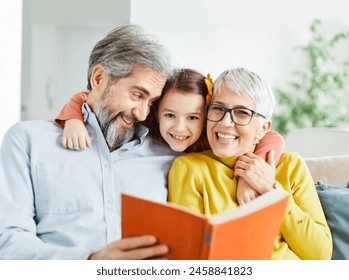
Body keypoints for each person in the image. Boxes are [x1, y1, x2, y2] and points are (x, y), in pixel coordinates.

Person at [0, 24, 178, 260]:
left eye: (152, 102)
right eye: (137, 95)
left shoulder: (171, 155)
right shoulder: (27, 141)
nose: (142, 114)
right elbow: (9, 245)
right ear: (98, 78)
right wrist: (92, 262)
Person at [167, 67, 333, 259]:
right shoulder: (190, 169)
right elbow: (190, 257)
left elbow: (321, 255)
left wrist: (272, 192)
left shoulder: (290, 166)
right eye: (218, 109)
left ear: (263, 128)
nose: (225, 122)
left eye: (242, 113)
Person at [55, 68, 285, 204]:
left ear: (207, 115)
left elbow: (273, 137)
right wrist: (74, 119)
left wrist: (249, 177)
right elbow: (88, 96)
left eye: (193, 118)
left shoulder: (213, 137)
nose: (180, 128)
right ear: (156, 111)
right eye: (170, 115)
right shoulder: (145, 122)